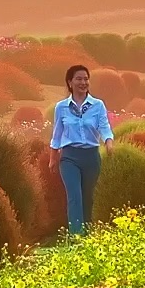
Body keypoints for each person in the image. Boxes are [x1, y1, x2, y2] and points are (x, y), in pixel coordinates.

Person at [50, 64, 113, 234]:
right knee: (75, 196)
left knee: (87, 198)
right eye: (79, 79)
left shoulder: (97, 105)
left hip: (91, 157)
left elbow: (104, 126)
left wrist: (108, 141)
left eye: (86, 79)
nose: (83, 82)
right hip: (70, 157)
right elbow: (57, 134)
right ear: (70, 83)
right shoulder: (61, 107)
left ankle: (87, 234)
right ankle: (76, 236)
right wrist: (53, 158)